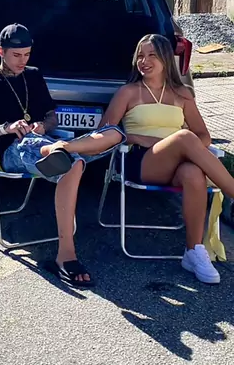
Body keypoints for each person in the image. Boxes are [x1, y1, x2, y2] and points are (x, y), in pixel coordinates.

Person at [0, 24, 124, 287]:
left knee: (115, 134)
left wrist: (43, 125)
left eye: (27, 54)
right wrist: (7, 127)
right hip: (12, 151)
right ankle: (67, 254)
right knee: (41, 147)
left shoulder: (33, 76)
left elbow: (52, 117)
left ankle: (64, 149)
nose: (22, 61)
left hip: (45, 142)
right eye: (16, 55)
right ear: (1, 52)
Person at [100, 33, 234, 284]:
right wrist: (137, 137)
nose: (144, 61)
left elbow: (204, 136)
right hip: (141, 161)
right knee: (183, 136)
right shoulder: (128, 92)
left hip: (177, 163)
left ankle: (193, 251)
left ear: (165, 59)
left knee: (193, 173)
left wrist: (183, 147)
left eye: (152, 55)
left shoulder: (182, 94)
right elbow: (104, 133)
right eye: (140, 56)